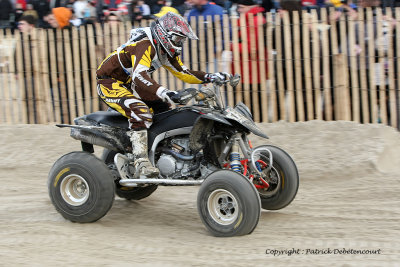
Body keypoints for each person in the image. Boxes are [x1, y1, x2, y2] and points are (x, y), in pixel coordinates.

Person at [96, 12, 230, 178]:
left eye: (182, 40)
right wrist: (164, 91)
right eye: (178, 39)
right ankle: (141, 162)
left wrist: (210, 76)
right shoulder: (146, 44)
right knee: (140, 110)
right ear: (165, 35)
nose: (180, 44)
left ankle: (159, 150)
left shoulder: (164, 51)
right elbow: (139, 75)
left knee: (164, 110)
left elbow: (184, 73)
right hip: (110, 82)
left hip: (130, 84)